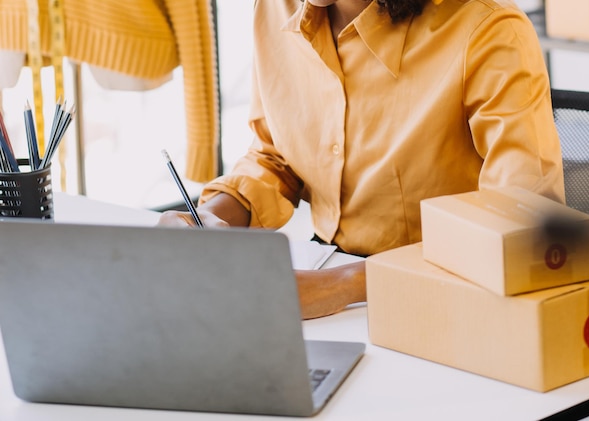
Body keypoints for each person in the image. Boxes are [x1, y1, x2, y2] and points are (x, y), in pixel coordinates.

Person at [158, 0, 565, 319]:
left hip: (451, 294)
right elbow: (274, 155)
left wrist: (341, 286)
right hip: (327, 273)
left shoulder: (488, 30)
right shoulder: (276, 9)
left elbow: (522, 229)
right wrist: (212, 218)